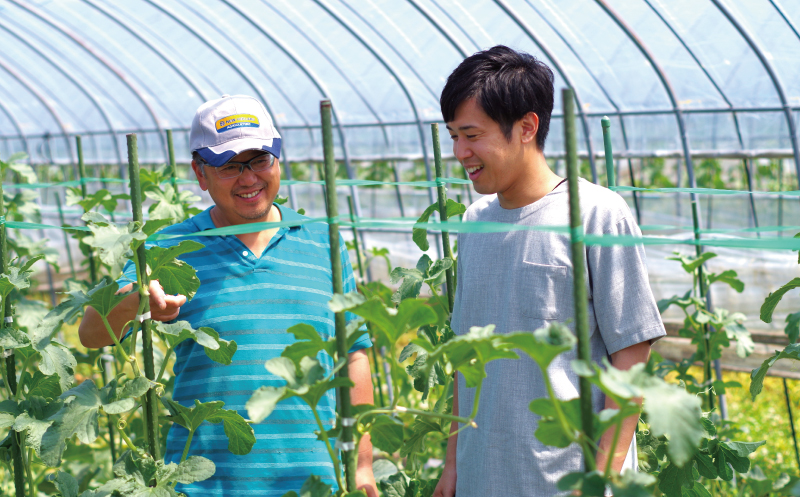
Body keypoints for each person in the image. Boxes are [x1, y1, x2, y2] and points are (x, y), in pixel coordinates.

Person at [79, 95, 378, 497]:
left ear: (277, 160)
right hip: (206, 486)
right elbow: (91, 333)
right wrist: (136, 301)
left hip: (317, 484)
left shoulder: (324, 241)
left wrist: (361, 468)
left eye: (259, 159)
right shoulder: (169, 246)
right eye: (229, 165)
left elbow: (354, 354)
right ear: (200, 173)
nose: (249, 178)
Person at [432, 46, 666, 497]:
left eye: (471, 135)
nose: (460, 152)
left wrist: (602, 476)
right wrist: (453, 465)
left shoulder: (595, 214)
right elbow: (466, 360)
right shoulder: (474, 222)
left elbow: (631, 356)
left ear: (526, 127)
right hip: (484, 476)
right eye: (453, 136)